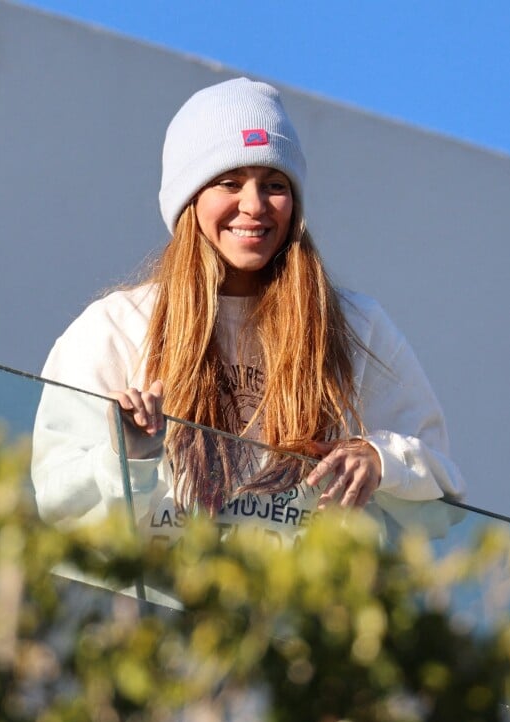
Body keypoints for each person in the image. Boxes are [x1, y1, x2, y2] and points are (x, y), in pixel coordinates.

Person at [32, 78, 465, 551]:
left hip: (299, 616)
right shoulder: (117, 326)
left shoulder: (354, 325)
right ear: (189, 200)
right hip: (153, 613)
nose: (254, 206)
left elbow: (443, 491)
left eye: (274, 184)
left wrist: (381, 460)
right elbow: (56, 501)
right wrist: (126, 456)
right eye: (229, 182)